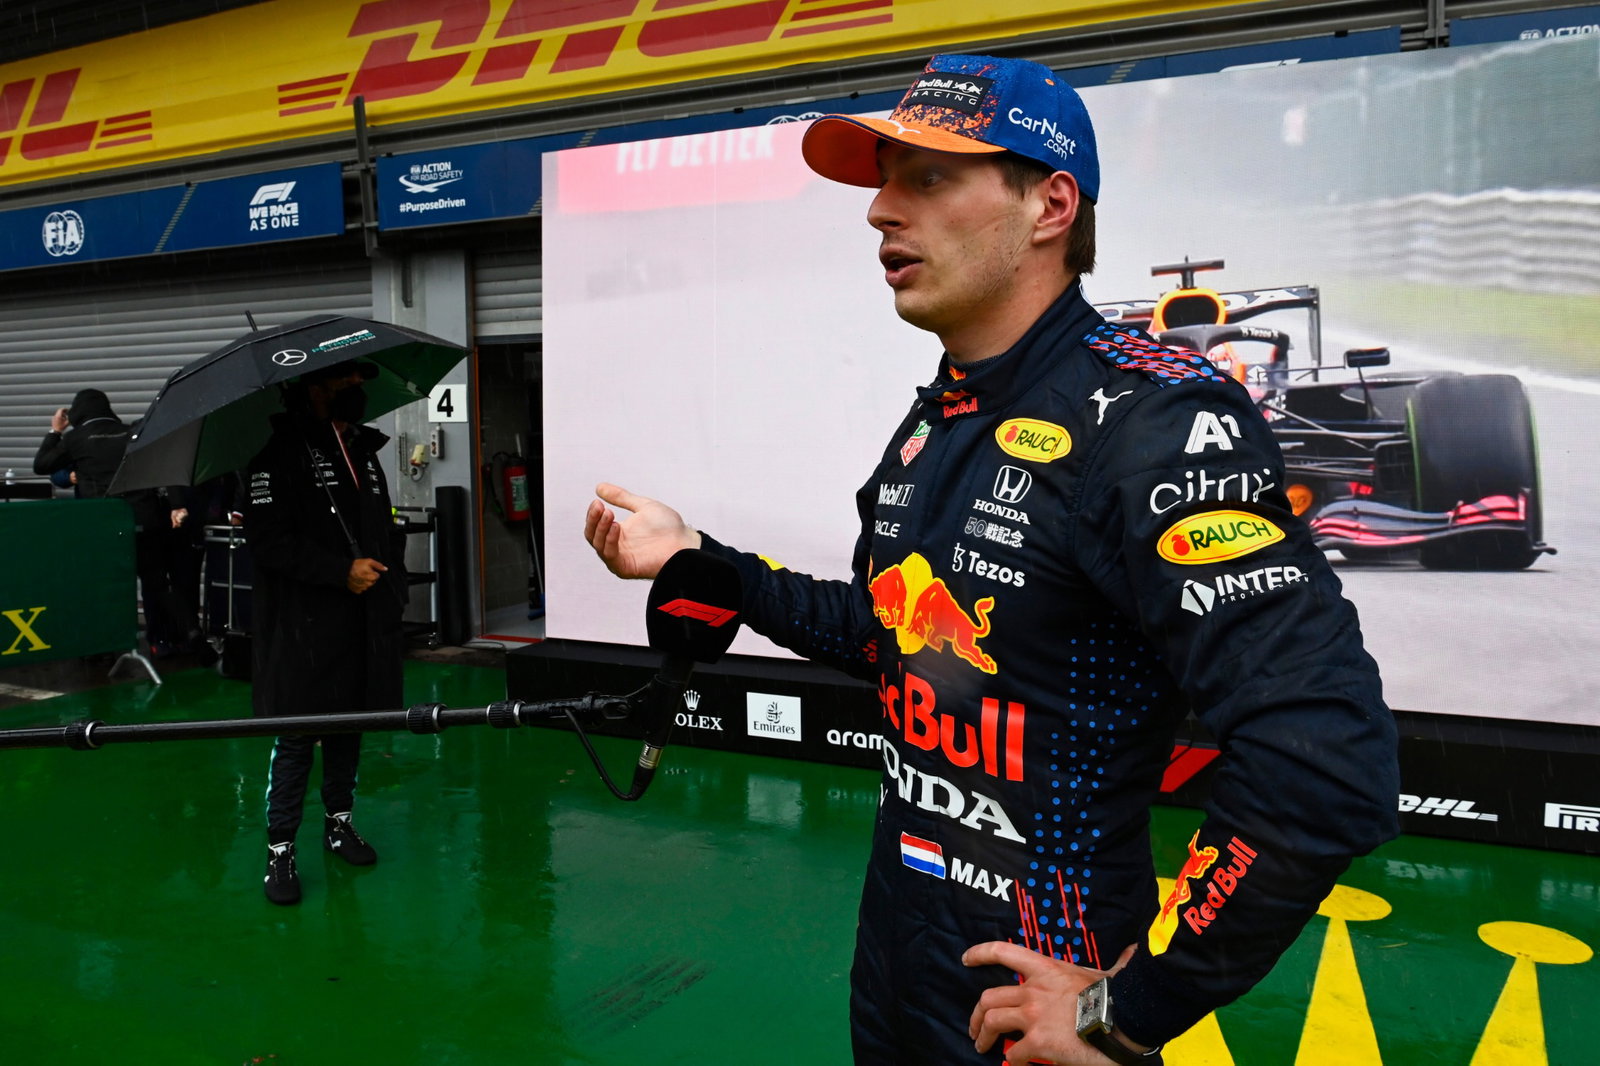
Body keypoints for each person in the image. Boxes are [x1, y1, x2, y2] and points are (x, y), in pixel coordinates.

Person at [583, 54, 1399, 1065]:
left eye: (925, 176)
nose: (880, 209)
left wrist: (1128, 1009)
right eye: (884, 176)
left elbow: (1322, 760)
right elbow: (900, 637)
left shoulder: (1153, 416)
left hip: (1036, 987)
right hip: (900, 949)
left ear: (1050, 204)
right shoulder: (941, 418)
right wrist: (699, 559)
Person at [245, 359, 406, 906]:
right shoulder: (276, 455)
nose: (361, 386)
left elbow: (380, 527)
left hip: (362, 623)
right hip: (302, 628)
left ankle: (339, 824)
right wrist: (339, 572)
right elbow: (268, 543)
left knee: (350, 726)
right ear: (315, 389)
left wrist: (392, 586)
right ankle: (280, 851)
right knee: (298, 737)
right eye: (349, 379)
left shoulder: (362, 448)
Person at [32, 388, 131, 498]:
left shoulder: (76, 438)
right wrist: (68, 477)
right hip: (135, 504)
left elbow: (42, 465)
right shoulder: (133, 431)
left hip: (96, 507)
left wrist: (55, 431)